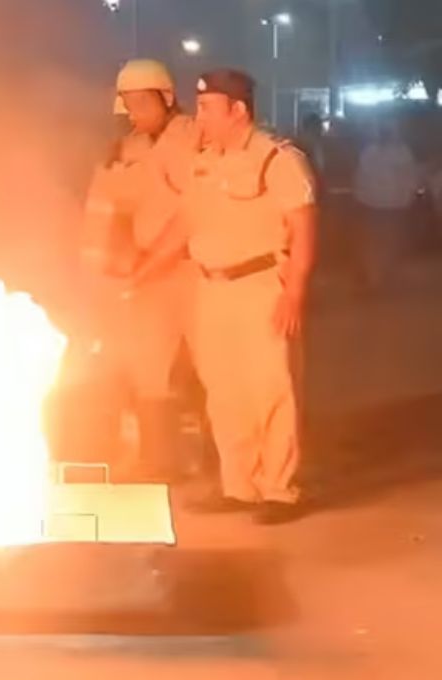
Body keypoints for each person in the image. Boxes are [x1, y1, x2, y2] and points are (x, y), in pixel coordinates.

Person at [134, 69, 318, 525]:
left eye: (207, 108)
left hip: (261, 287)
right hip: (212, 289)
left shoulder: (276, 158)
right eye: (199, 108)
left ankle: (278, 490)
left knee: (270, 389)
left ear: (238, 110)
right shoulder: (204, 162)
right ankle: (239, 486)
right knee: (223, 392)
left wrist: (294, 292)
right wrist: (142, 271)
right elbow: (184, 224)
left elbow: (303, 228)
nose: (199, 117)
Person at [80, 59, 200, 482]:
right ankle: (159, 460)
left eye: (143, 103)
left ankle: (228, 466)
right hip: (150, 275)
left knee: (213, 371)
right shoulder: (124, 152)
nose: (135, 113)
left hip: (199, 271)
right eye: (128, 104)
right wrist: (99, 271)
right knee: (149, 369)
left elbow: (201, 208)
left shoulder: (195, 139)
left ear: (167, 98)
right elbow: (101, 212)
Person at [353, 117, 422, 290]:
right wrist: (410, 197)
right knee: (390, 242)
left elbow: (361, 179)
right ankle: (381, 278)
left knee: (377, 243)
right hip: (393, 206)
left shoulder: (370, 152)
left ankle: (376, 278)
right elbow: (411, 178)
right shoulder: (401, 152)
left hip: (376, 205)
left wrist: (360, 199)